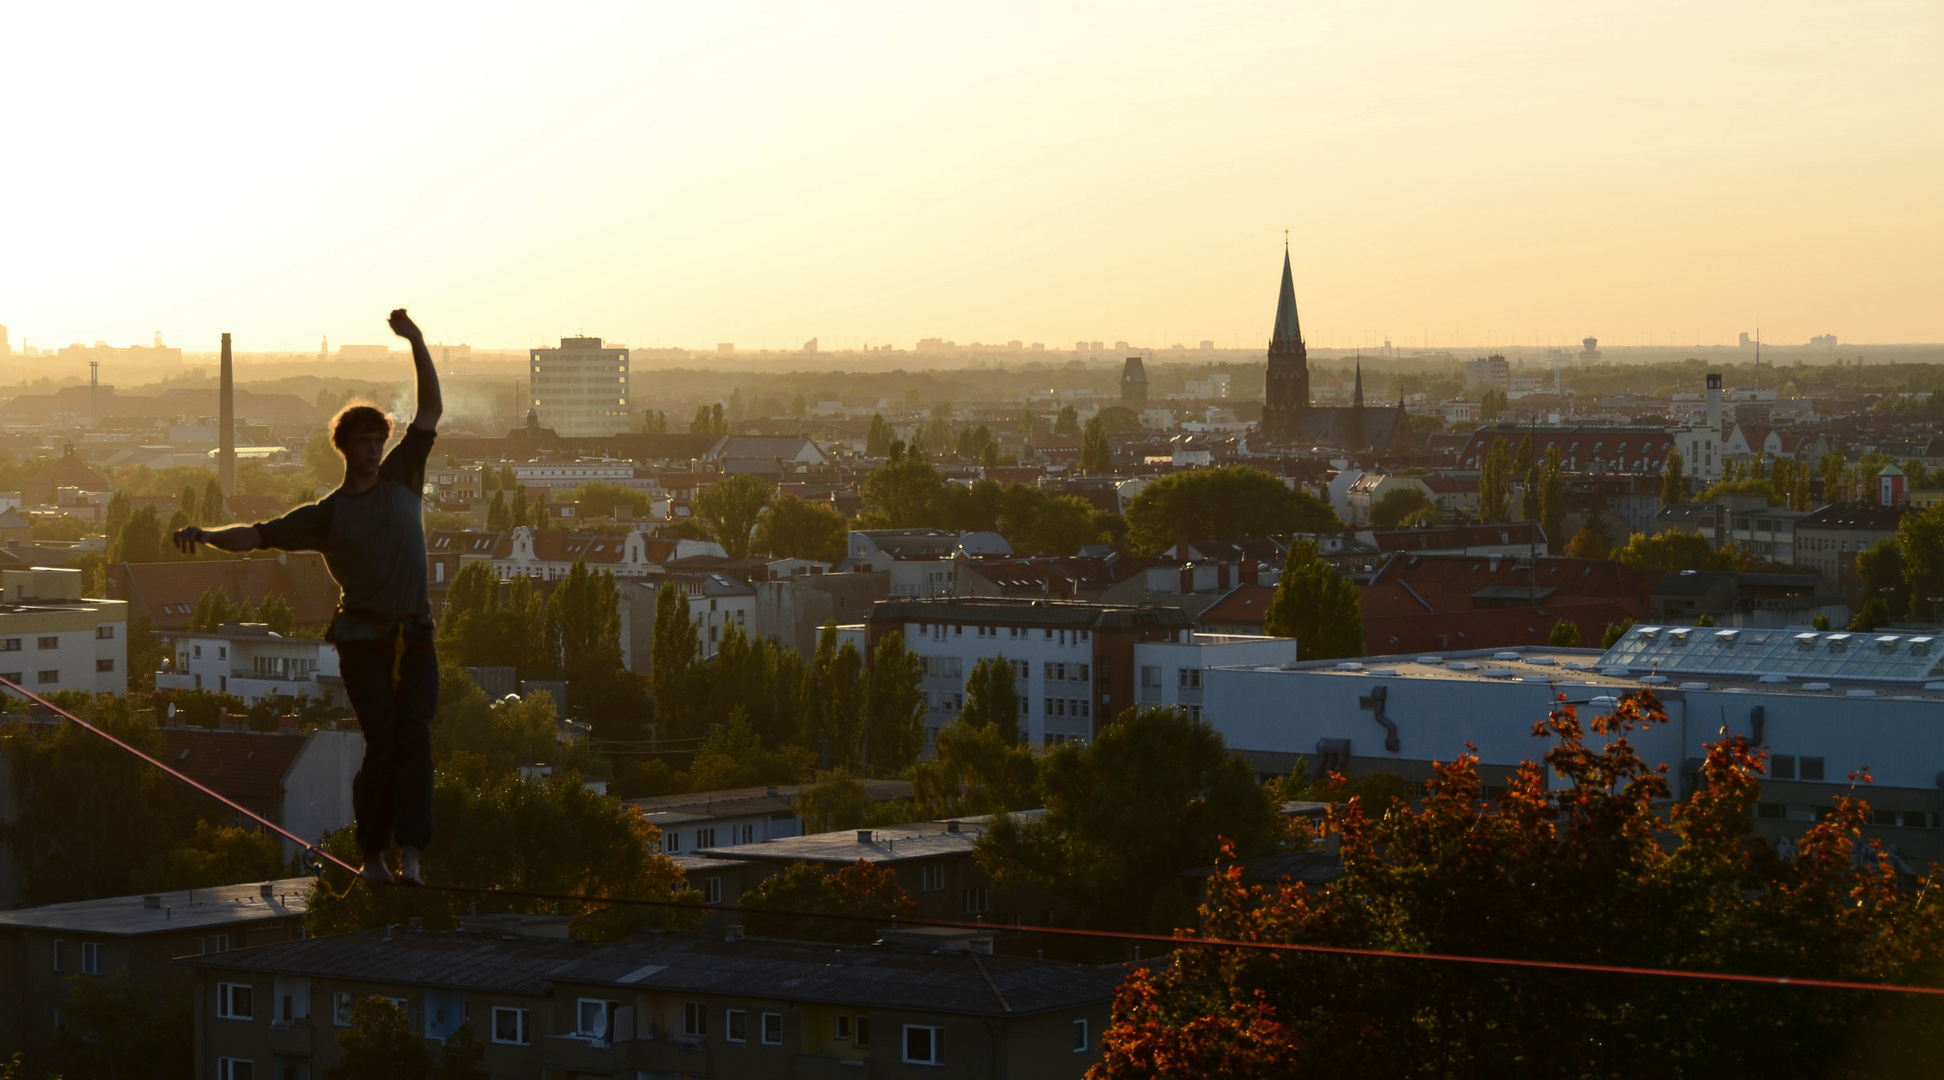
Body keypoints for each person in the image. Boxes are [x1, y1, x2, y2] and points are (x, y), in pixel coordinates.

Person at [175, 309, 442, 887]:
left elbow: (429, 411)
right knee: (383, 744)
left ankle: (412, 854)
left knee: (415, 741)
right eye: (364, 441)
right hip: (364, 642)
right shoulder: (326, 516)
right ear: (343, 448)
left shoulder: (404, 476)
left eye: (379, 439)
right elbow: (258, 536)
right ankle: (374, 855)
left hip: (416, 636)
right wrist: (204, 534)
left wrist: (417, 342)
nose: (374, 448)